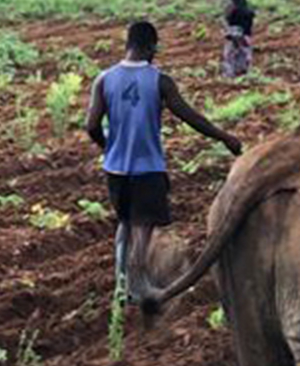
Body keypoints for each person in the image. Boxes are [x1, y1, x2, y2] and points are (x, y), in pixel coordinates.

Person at [85, 19, 243, 301]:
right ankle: (138, 287)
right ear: (152, 47)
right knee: (143, 228)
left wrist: (108, 148)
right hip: (147, 168)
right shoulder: (160, 81)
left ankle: (122, 283)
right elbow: (190, 116)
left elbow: (91, 125)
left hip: (115, 169)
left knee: (125, 222)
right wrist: (224, 137)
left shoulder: (104, 79)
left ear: (127, 45)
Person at [222, 0, 255, 78]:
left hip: (241, 31)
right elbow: (229, 16)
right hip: (237, 30)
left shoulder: (241, 3)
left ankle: (238, 73)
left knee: (238, 53)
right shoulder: (235, 3)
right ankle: (233, 74)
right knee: (236, 53)